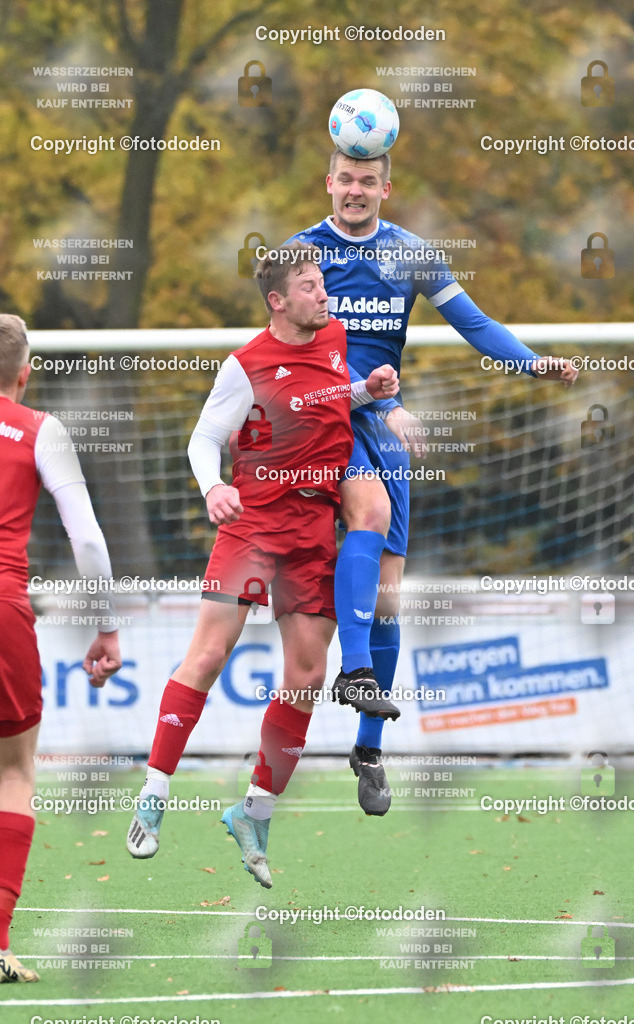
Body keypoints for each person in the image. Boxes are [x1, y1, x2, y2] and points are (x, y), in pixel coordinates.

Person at [285, 150, 579, 815]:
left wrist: (532, 364)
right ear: (327, 183)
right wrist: (378, 399)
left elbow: (475, 325)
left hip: (381, 421)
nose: (355, 190)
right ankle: (353, 670)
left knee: (387, 600)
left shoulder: (412, 255)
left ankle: (368, 749)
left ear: (385, 188)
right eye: (345, 179)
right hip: (323, 419)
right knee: (365, 513)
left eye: (367, 181)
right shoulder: (301, 255)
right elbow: (290, 346)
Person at [126, 243, 404, 887]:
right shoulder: (245, 364)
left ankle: (254, 811)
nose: (323, 294)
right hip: (253, 527)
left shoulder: (334, 337)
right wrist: (212, 487)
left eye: (322, 283)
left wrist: (365, 391)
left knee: (306, 675)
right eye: (309, 286)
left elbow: (321, 403)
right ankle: (154, 790)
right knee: (206, 656)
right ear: (278, 301)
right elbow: (203, 438)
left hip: (312, 529)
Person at [0, 314, 122, 983]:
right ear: (25, 375)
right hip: (4, 610)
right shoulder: (40, 429)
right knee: (13, 773)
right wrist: (106, 625)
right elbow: (89, 538)